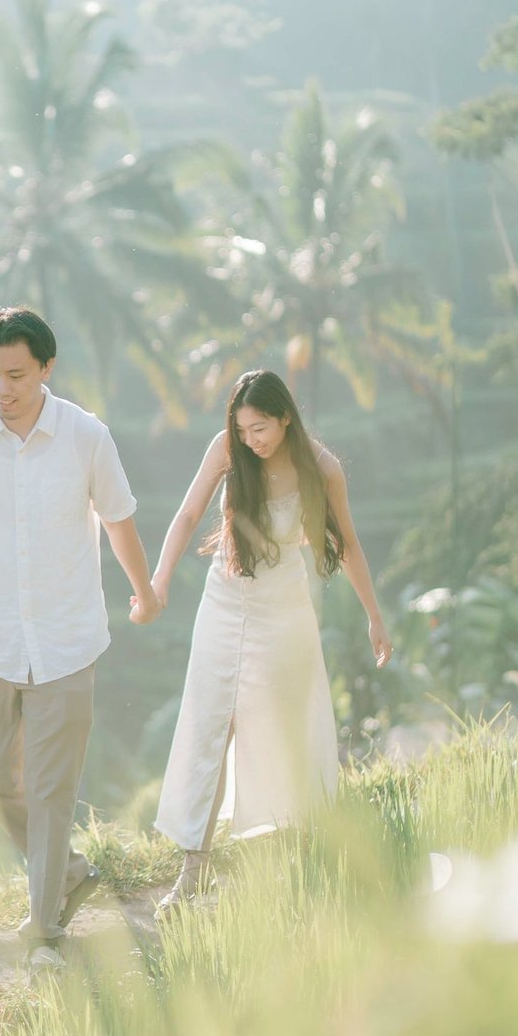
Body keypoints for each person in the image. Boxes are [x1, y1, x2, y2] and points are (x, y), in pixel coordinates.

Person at [0, 306, 162, 975]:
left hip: (66, 640)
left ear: (46, 368)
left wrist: (144, 590)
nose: (2, 389)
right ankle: (71, 872)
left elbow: (119, 520)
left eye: (16, 374)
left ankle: (44, 930)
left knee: (51, 790)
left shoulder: (86, 436)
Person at [150, 368, 392, 911]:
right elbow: (189, 513)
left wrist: (374, 616)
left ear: (285, 417)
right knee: (213, 724)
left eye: (260, 428)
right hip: (223, 602)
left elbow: (347, 543)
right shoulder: (227, 449)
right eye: (241, 429)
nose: (250, 440)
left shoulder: (322, 468)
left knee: (282, 732)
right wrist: (160, 577)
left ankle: (290, 862)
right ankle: (193, 870)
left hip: (283, 613)